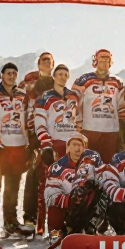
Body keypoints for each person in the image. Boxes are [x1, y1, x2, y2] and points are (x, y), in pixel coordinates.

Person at [31, 63, 80, 234]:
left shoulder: (73, 97)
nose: (62, 77)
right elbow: (39, 124)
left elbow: (78, 121)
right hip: (54, 144)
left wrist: (79, 141)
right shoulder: (44, 97)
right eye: (59, 74)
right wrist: (46, 145)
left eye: (65, 74)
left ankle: (67, 224)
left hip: (71, 145)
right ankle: (41, 226)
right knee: (48, 185)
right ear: (53, 76)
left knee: (70, 185)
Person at [0, 62, 30, 237]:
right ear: (1, 75)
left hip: (18, 147)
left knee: (12, 186)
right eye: (8, 73)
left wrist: (28, 145)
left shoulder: (22, 95)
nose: (11, 76)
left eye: (14, 73)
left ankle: (11, 222)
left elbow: (27, 120)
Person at [43, 132, 107, 239]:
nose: (77, 149)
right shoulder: (58, 167)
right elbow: (50, 194)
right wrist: (69, 200)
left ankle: (90, 228)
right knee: (54, 204)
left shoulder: (94, 164)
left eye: (80, 145)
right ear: (67, 147)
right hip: (66, 207)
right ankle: (55, 232)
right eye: (74, 145)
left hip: (85, 207)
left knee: (102, 192)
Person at [20, 52, 55, 237]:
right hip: (35, 132)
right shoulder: (30, 80)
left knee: (55, 175)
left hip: (54, 132)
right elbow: (22, 102)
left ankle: (55, 219)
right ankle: (29, 218)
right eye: (44, 60)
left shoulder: (57, 80)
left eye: (50, 60)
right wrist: (28, 134)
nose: (47, 63)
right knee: (33, 174)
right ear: (39, 63)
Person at [73, 49, 125, 160]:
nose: (104, 61)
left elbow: (121, 106)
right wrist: (77, 124)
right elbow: (74, 101)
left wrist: (121, 127)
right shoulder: (84, 80)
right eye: (101, 58)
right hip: (89, 129)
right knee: (88, 163)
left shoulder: (118, 82)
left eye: (107, 59)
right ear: (95, 61)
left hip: (111, 130)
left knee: (107, 165)